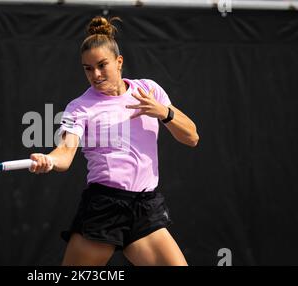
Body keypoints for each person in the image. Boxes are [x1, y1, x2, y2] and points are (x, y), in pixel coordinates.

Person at [29, 16, 199, 266]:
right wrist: (49, 160)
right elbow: (64, 154)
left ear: (119, 62)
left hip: (144, 206)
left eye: (102, 65)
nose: (95, 74)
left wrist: (164, 112)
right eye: (88, 68)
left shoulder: (149, 90)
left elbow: (192, 137)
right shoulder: (79, 108)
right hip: (104, 208)